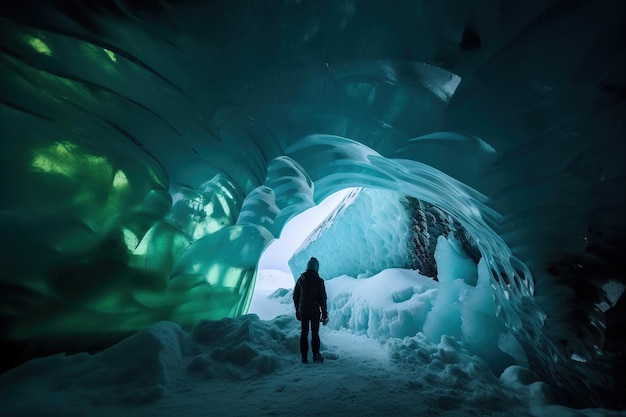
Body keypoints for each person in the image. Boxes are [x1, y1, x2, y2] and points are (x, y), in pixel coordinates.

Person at [293, 257, 328, 363]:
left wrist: (298, 310)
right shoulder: (319, 281)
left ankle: (304, 356)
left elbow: (295, 296)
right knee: (314, 333)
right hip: (314, 312)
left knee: (304, 333)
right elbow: (322, 298)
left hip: (303, 311)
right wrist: (324, 313)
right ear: (316, 268)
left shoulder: (301, 280)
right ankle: (315, 354)